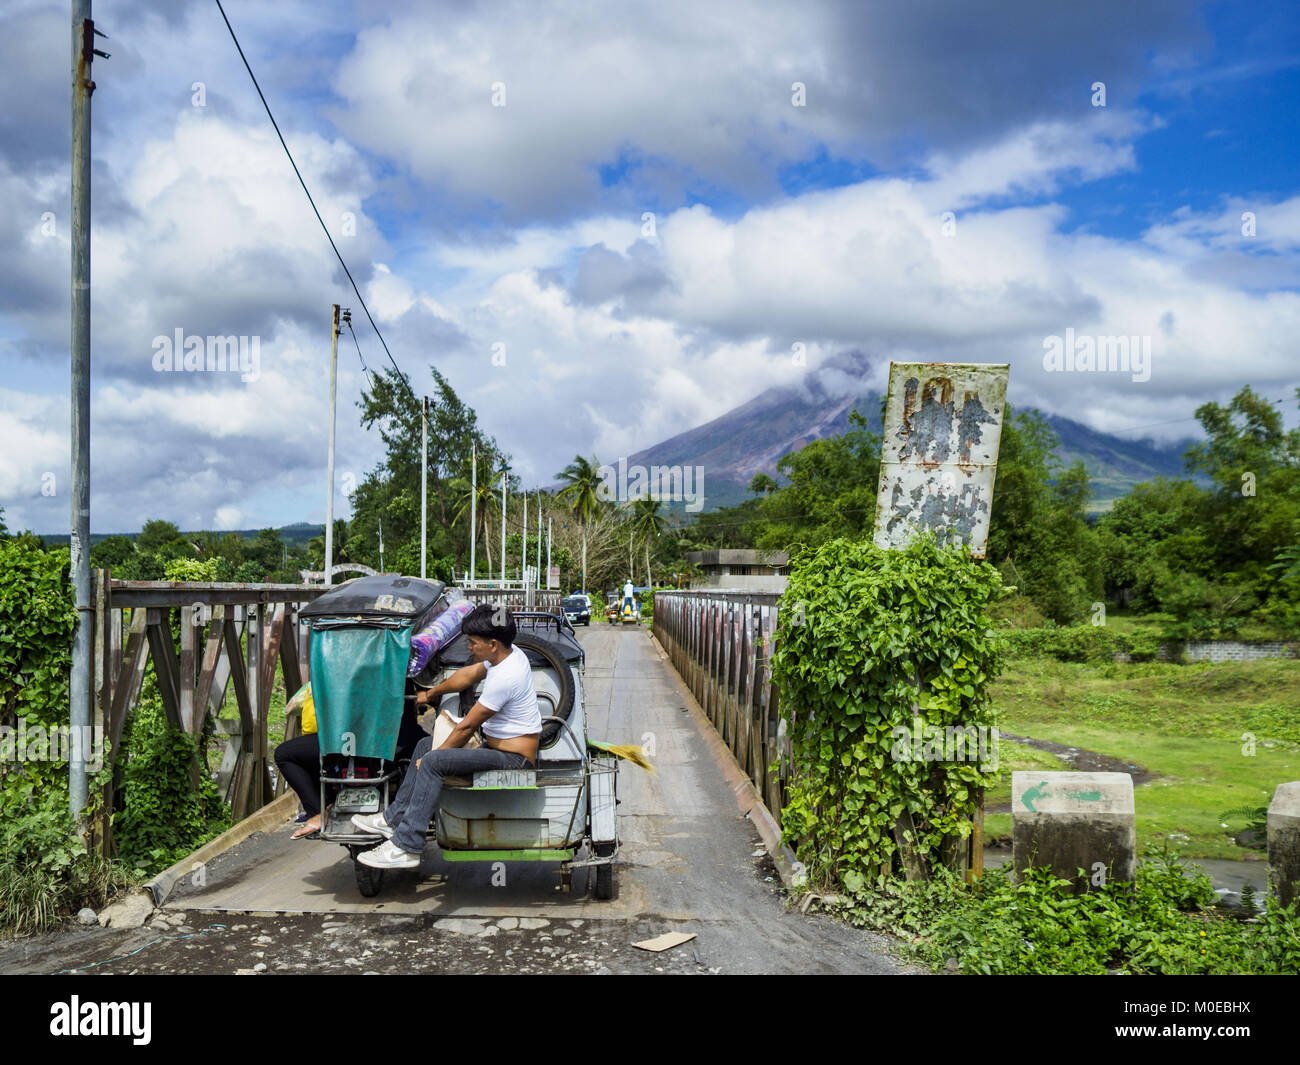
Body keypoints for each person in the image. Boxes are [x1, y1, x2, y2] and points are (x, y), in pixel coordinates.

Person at [353, 603, 540, 868]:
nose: (469, 648)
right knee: (423, 745)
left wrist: (434, 757)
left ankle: (407, 846)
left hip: (514, 758)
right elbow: (465, 676)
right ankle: (392, 820)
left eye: (473, 643)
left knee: (431, 761)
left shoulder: (506, 677)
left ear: (493, 644)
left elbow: (466, 728)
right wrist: (430, 694)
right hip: (495, 747)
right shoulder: (508, 654)